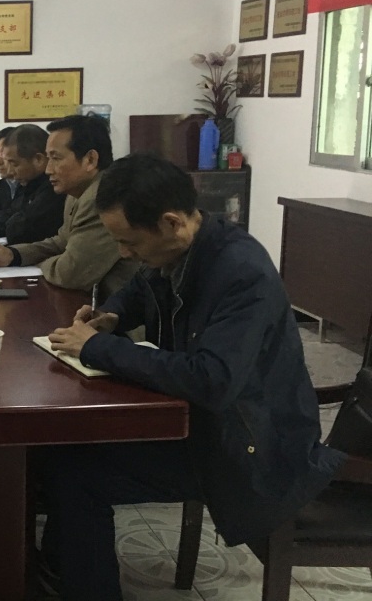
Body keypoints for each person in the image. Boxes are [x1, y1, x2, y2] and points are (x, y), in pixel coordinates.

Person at [36, 153, 345, 600]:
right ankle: (59, 567)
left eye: (129, 243)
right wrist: (111, 317)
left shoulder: (241, 273)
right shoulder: (183, 248)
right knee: (62, 445)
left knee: (76, 474)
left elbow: (211, 379)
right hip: (204, 424)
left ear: (172, 223)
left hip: (248, 447)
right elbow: (141, 289)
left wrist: (97, 348)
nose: (123, 253)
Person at [0, 115, 136, 299]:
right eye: (48, 158)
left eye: (56, 158)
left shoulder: (104, 198)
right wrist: (13, 255)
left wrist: (40, 263)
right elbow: (61, 242)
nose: (48, 169)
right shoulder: (77, 193)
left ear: (90, 160)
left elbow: (69, 274)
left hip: (117, 312)